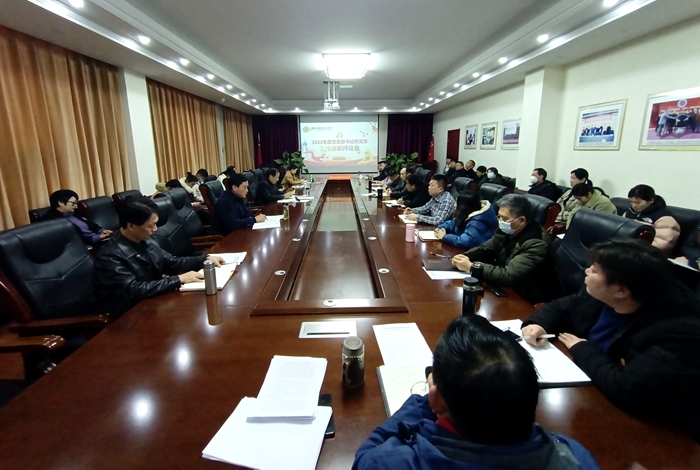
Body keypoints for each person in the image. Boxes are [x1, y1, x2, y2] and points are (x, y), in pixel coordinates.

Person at [352, 315, 601, 470]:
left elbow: (366, 456)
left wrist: (424, 402)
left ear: (436, 400)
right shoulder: (576, 457)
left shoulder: (393, 463)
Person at [521, 240, 700, 443]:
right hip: (591, 390)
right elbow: (566, 306)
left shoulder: (679, 332)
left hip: (658, 432)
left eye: (594, 271)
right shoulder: (602, 293)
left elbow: (627, 390)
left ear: (621, 291)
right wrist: (539, 323)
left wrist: (582, 348)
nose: (586, 271)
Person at [93, 197, 225, 315]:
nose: (155, 229)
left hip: (150, 304)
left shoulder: (145, 241)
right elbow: (133, 290)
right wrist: (179, 279)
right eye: (151, 225)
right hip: (127, 316)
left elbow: (172, 262)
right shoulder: (109, 256)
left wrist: (205, 260)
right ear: (131, 225)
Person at [452, 194, 559, 304]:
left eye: (505, 218)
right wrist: (465, 257)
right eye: (499, 217)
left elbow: (510, 275)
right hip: (509, 286)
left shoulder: (536, 242)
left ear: (522, 220)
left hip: (530, 296)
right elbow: (487, 248)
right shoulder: (508, 228)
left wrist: (472, 267)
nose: (500, 221)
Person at [622, 184, 680, 255]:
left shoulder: (664, 217)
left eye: (638, 202)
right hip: (628, 249)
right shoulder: (630, 212)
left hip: (648, 254)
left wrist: (633, 247)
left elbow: (662, 243)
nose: (634, 205)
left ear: (651, 200)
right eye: (631, 202)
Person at [44, 189, 112, 246]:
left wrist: (101, 230)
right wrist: (97, 237)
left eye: (76, 203)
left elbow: (91, 224)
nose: (76, 206)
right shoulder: (52, 220)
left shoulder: (76, 212)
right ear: (60, 203)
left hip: (99, 239)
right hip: (86, 245)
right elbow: (72, 239)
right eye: (73, 203)